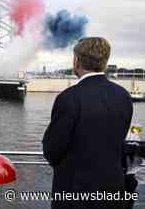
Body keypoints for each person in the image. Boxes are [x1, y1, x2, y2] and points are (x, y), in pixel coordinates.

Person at [42, 37, 133, 209]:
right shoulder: (123, 96)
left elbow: (52, 150)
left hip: (75, 194)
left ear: (76, 61)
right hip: (114, 192)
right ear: (105, 62)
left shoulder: (68, 98)